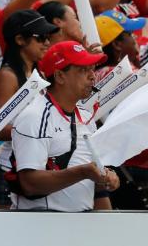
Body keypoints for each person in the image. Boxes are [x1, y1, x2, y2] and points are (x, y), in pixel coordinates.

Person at [11, 41, 119, 211]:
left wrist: (105, 179)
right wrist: (83, 172)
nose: (92, 76)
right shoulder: (34, 117)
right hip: (42, 227)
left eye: (92, 69)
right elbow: (30, 183)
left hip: (79, 225)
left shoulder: (85, 115)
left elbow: (98, 190)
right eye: (83, 70)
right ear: (60, 76)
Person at [0, 9, 55, 208]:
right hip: (9, 175)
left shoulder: (36, 72)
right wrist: (39, 132)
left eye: (48, 37)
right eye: (41, 37)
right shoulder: (8, 76)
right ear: (19, 39)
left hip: (30, 168)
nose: (47, 43)